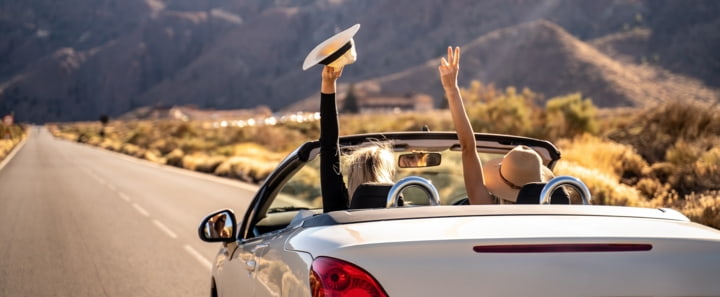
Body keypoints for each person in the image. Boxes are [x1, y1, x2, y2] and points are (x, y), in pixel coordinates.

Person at [438, 46, 555, 204]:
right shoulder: (551, 217)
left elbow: (468, 147)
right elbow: (467, 148)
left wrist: (452, 90)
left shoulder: (485, 207)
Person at [320, 66, 396, 212]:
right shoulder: (404, 215)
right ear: (386, 174)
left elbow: (328, 148)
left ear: (353, 175)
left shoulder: (338, 210)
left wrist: (328, 84)